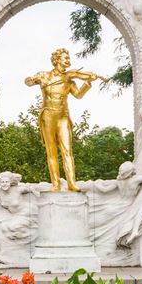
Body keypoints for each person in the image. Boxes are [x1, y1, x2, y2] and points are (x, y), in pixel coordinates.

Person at [24, 48, 104, 192]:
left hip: (63, 117)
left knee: (67, 151)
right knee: (51, 152)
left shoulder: (69, 79)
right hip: (48, 115)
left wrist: (88, 83)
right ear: (56, 60)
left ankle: (72, 183)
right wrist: (32, 80)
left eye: (68, 58)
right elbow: (27, 82)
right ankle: (56, 184)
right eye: (65, 58)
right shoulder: (45, 75)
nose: (68, 60)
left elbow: (78, 95)